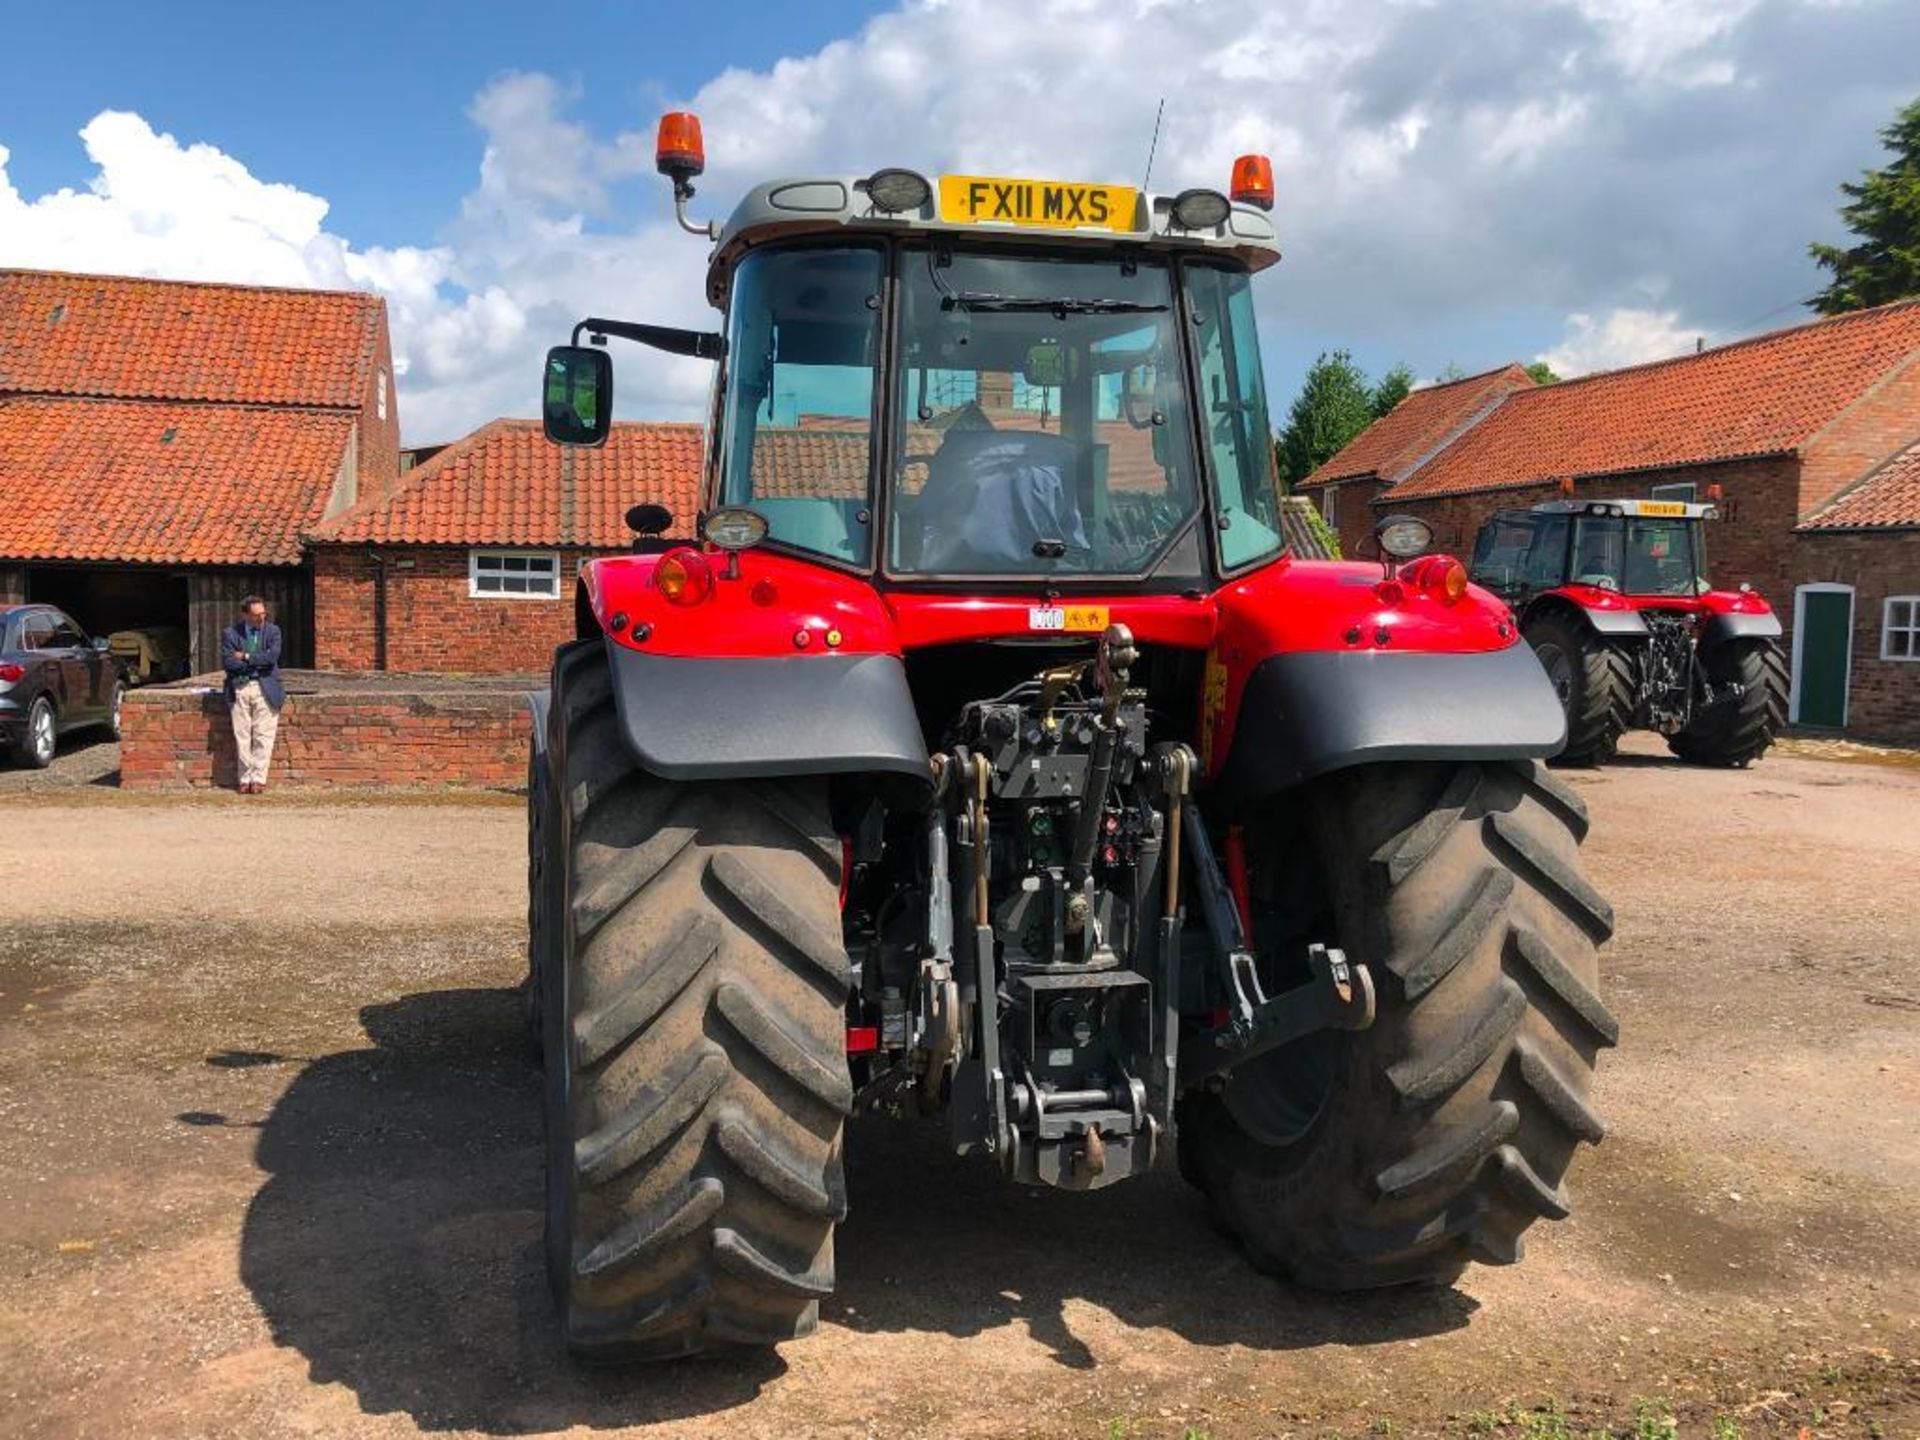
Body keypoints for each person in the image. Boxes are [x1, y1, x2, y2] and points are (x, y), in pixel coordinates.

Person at [221, 596, 285, 794]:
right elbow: (229, 663)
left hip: (265, 686)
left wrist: (247, 657)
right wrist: (257, 662)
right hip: (241, 687)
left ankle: (258, 778)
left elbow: (272, 658)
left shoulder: (273, 631)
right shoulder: (231, 633)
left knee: (263, 735)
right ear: (245, 614)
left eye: (263, 613)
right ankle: (245, 777)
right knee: (242, 735)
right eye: (256, 615)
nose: (261, 618)